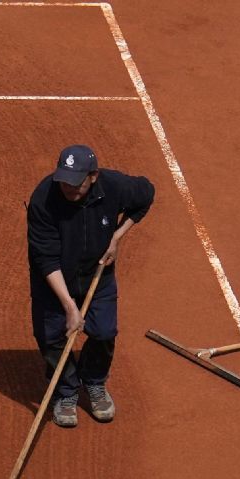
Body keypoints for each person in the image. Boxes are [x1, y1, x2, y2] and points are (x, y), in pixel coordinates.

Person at [26, 144, 155, 427]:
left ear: (93, 176)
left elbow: (146, 195)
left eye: (76, 184)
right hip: (55, 279)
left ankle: (94, 381)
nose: (68, 189)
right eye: (64, 182)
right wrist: (70, 306)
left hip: (98, 275)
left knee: (104, 330)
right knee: (51, 338)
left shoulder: (116, 186)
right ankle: (66, 391)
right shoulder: (43, 200)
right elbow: (45, 259)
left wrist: (117, 237)